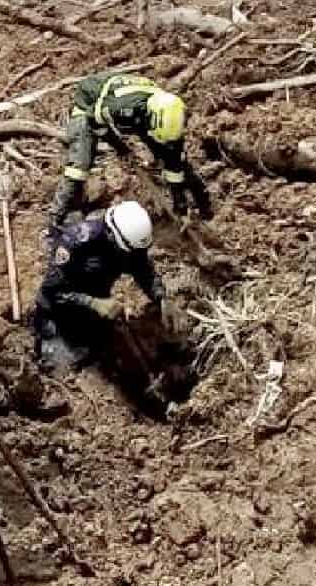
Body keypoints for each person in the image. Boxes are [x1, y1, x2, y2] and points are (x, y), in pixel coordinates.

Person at [48, 71, 212, 241]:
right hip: (89, 103)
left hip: (139, 113)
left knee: (177, 161)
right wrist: (121, 148)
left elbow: (174, 166)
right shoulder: (122, 108)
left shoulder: (173, 119)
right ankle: (54, 221)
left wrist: (181, 208)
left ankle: (205, 207)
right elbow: (94, 120)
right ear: (150, 119)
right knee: (79, 167)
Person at [34, 201, 168, 372]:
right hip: (57, 315)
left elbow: (142, 269)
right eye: (128, 251)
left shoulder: (128, 244)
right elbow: (51, 292)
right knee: (70, 367)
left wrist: (160, 296)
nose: (132, 255)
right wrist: (92, 302)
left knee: (105, 348)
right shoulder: (76, 242)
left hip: (93, 310)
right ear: (112, 236)